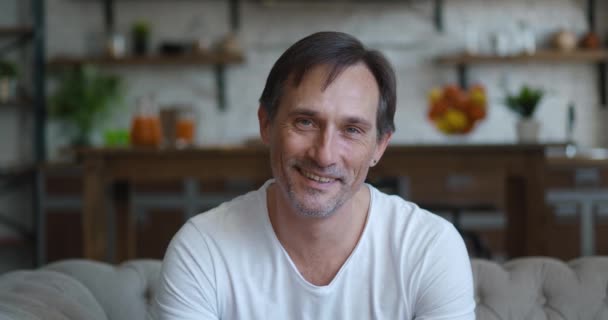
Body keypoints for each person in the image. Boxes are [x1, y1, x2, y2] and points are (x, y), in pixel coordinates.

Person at [153, 31, 475, 319]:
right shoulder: (202, 249)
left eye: (351, 130)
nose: (324, 155)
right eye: (305, 122)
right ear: (266, 124)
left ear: (379, 145)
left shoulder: (429, 249)